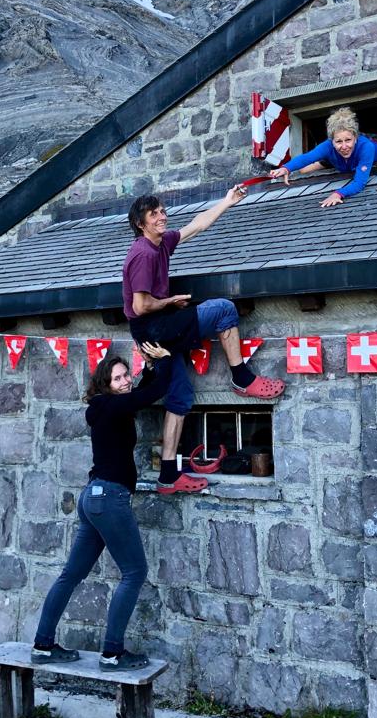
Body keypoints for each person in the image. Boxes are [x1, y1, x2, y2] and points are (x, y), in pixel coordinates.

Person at [122, 187, 285, 496]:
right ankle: (241, 379)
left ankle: (168, 476)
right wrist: (171, 301)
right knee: (223, 309)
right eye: (154, 214)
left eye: (162, 211)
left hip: (158, 326)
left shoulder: (161, 243)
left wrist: (227, 201)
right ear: (141, 224)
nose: (162, 216)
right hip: (153, 328)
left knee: (180, 396)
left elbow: (196, 226)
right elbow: (140, 306)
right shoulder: (143, 254)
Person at [31, 342, 171, 672]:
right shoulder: (112, 405)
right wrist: (166, 362)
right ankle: (112, 653)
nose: (125, 382)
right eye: (117, 378)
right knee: (135, 573)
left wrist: (149, 369)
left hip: (93, 497)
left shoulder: (107, 407)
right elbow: (152, 394)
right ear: (105, 385)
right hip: (109, 498)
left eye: (126, 376)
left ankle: (43, 646)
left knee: (71, 575)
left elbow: (141, 391)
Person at [266, 106, 377, 208]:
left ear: (355, 138)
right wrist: (286, 168)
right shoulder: (327, 146)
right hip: (338, 160)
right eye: (338, 141)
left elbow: (359, 182)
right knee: (303, 170)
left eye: (348, 140)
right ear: (332, 141)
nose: (344, 146)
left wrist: (338, 194)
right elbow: (307, 157)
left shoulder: (366, 147)